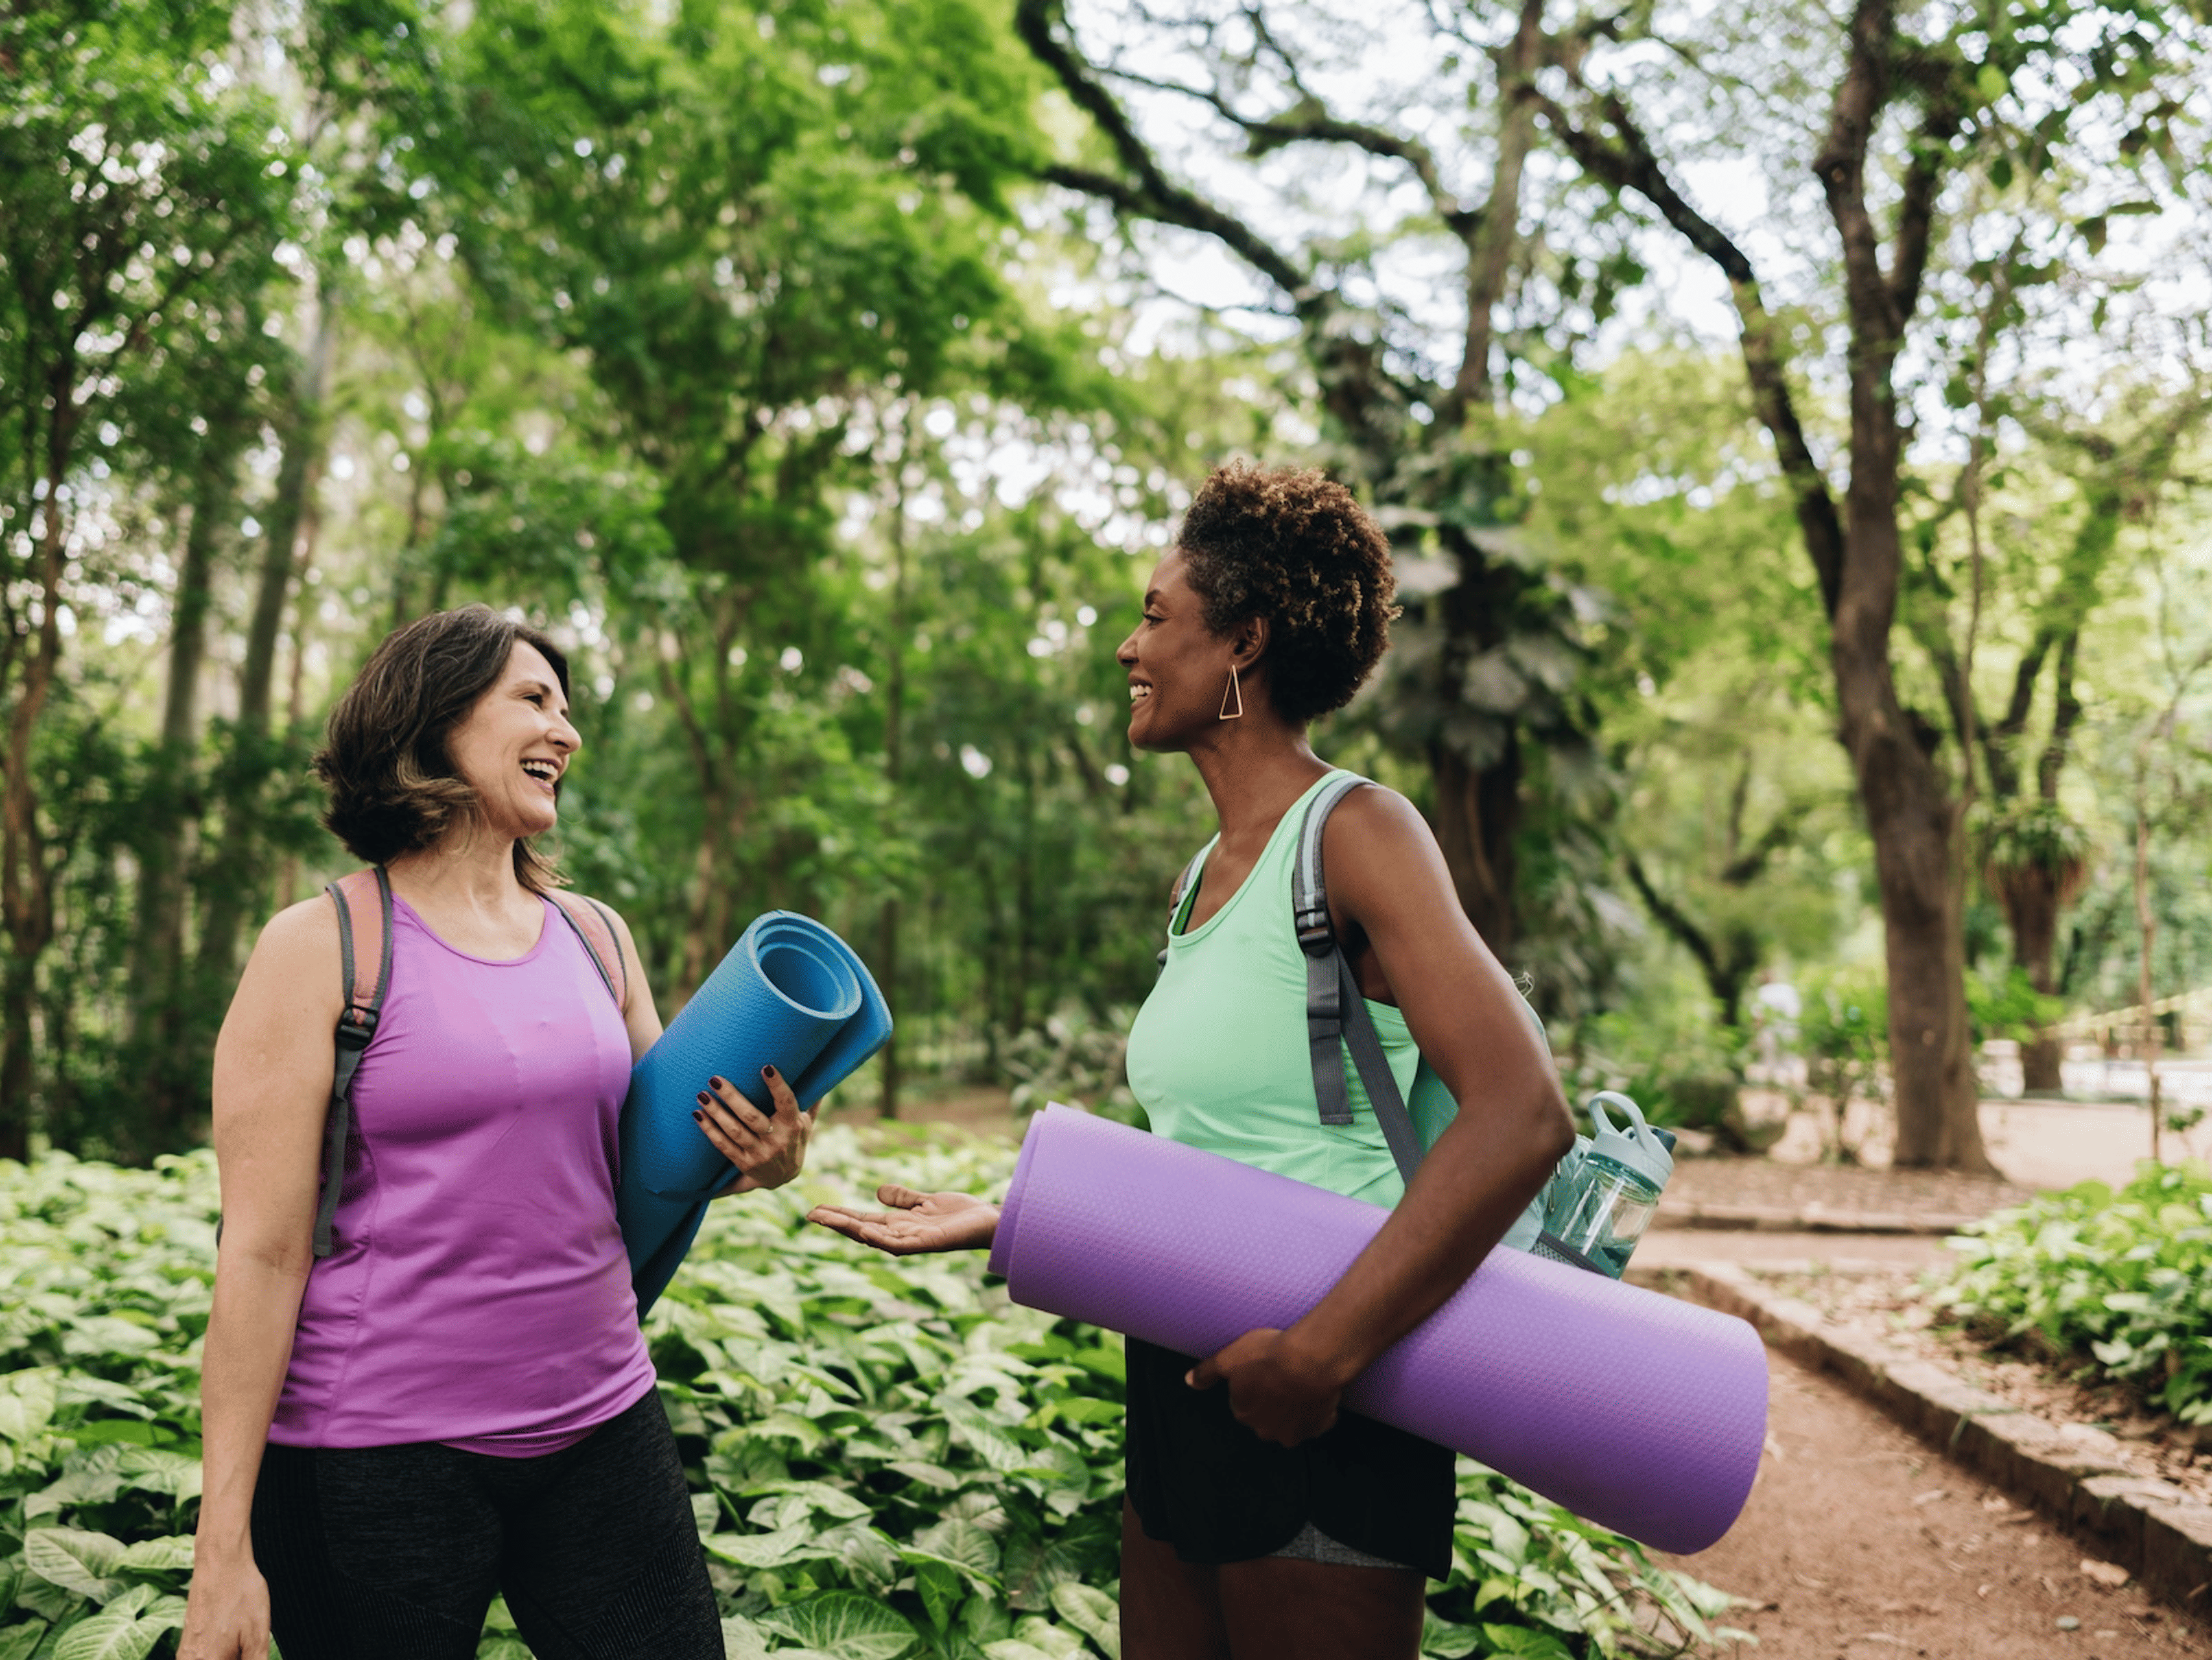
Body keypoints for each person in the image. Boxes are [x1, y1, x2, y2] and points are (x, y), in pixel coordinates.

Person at [807, 464, 1574, 1660]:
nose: (1127, 647)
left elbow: (1524, 1114)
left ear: (1245, 645)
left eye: (1157, 617)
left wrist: (1322, 1357)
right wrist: (1017, 1214)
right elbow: (1221, 1155)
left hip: (1332, 1392)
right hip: (1185, 1378)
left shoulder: (1359, 834)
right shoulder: (1201, 879)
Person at [179, 604, 807, 1660]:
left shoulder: (596, 936)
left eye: (569, 711)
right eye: (533, 701)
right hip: (375, 1455)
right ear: (433, 722)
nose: (566, 733)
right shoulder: (320, 946)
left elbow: (662, 1157)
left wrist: (763, 1159)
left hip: (604, 1423)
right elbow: (261, 1251)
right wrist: (220, 1550)